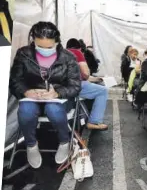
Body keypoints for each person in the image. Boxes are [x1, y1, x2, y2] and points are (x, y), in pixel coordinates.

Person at [9, 22, 81, 169]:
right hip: (32, 98)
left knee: (53, 109)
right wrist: (26, 92)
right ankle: (31, 145)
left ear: (57, 42)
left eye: (49, 47)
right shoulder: (23, 54)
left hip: (58, 100)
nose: (45, 50)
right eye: (40, 46)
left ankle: (64, 141)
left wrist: (57, 93)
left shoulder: (69, 57)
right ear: (32, 40)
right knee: (26, 110)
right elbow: (15, 80)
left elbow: (75, 86)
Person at [66, 38, 109, 130]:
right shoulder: (77, 53)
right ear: (79, 48)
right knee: (103, 91)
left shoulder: (60, 53)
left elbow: (82, 76)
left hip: (62, 88)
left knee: (96, 86)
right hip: (75, 86)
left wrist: (98, 79)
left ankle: (85, 116)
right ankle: (94, 122)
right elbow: (86, 74)